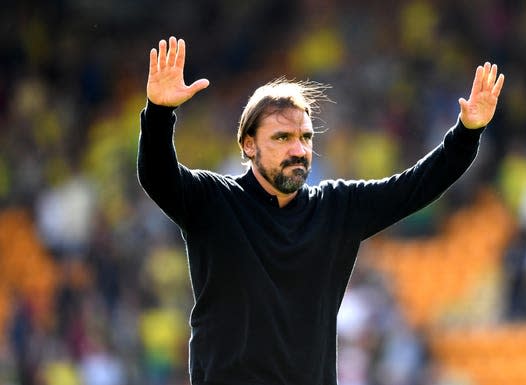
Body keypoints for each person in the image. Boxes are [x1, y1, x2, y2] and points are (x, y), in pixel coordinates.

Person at [137, 36, 504, 385]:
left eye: (305, 137)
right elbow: (157, 175)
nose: (298, 149)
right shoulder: (214, 201)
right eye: (282, 138)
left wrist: (467, 132)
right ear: (249, 145)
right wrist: (159, 113)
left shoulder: (336, 207)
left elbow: (416, 187)